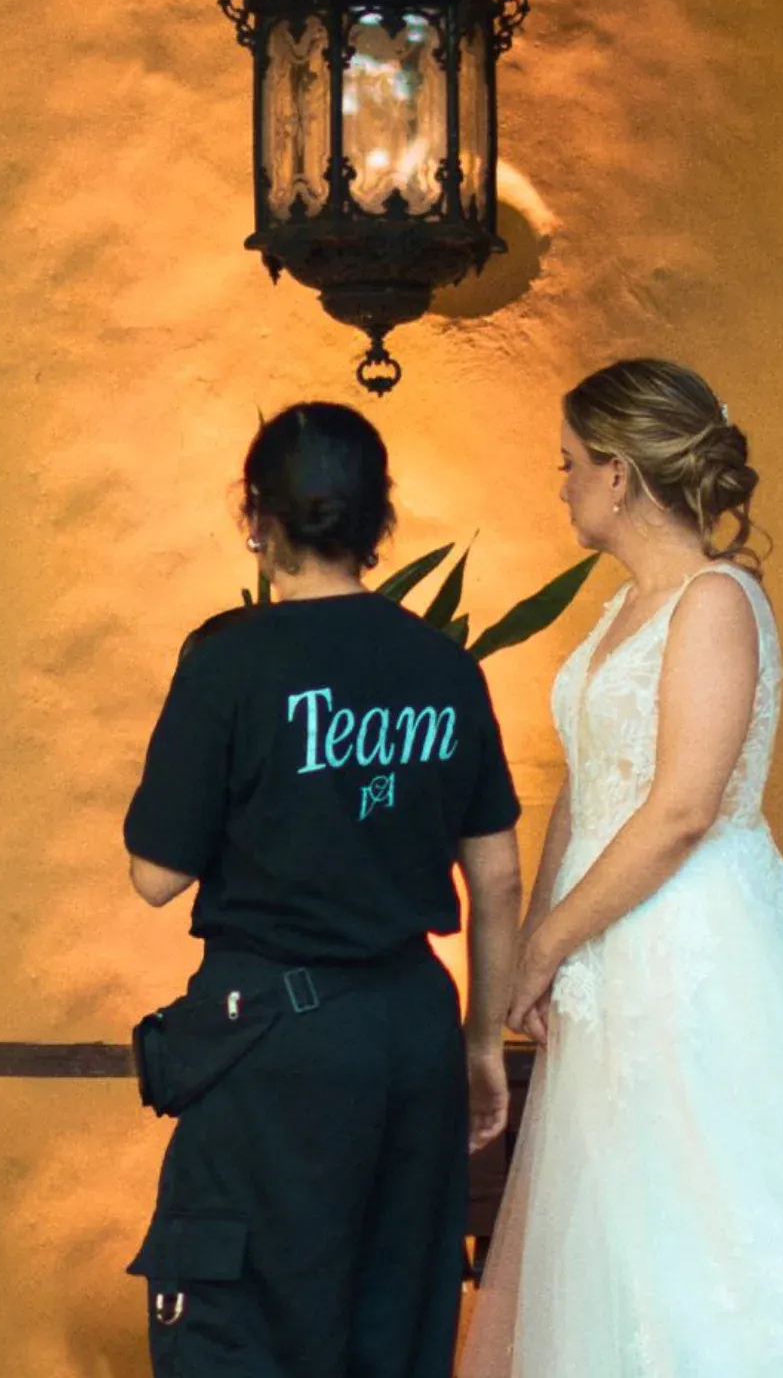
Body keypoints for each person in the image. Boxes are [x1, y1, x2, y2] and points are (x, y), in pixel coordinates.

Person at [460, 357, 783, 1378]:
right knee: (624, 1224)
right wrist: (542, 938)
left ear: (620, 475)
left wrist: (548, 942)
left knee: (703, 1223)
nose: (560, 481)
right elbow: (587, 788)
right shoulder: (618, 610)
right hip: (608, 949)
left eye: (570, 461)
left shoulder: (715, 600)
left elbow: (683, 808)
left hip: (686, 944)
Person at [123, 401, 525, 1378]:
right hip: (412, 1029)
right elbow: (498, 874)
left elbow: (155, 875)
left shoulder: (230, 663)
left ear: (256, 517)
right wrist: (481, 1042)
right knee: (397, 1317)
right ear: (378, 519)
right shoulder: (446, 667)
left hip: (277, 1037)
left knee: (244, 1325)